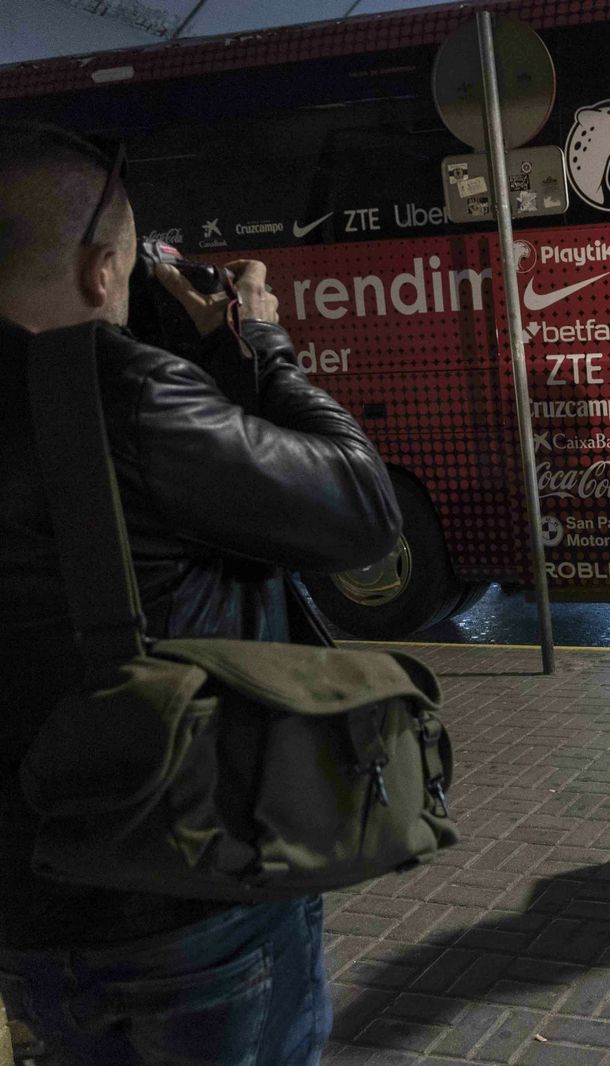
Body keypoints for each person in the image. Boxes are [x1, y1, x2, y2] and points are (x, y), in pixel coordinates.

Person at [0, 123, 401, 1064]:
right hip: (184, 901)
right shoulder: (122, 393)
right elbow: (360, 509)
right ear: (104, 272)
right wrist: (259, 339)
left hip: (23, 912)